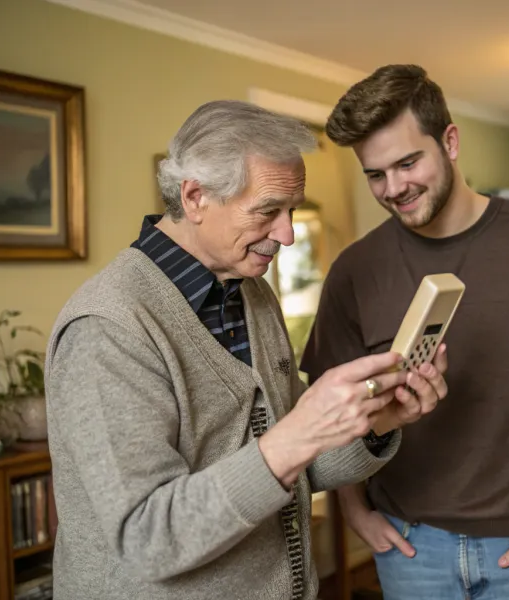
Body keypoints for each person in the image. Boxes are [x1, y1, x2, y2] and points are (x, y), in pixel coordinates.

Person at [43, 100, 449, 600]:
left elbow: (292, 468)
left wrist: (380, 420)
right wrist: (296, 435)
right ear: (194, 197)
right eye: (268, 211)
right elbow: (147, 537)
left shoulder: (250, 292)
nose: (288, 234)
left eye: (292, 209)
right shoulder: (109, 328)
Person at [299, 65, 509, 600]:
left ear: (451, 142)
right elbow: (333, 409)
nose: (394, 188)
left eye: (408, 162)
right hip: (410, 550)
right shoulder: (354, 271)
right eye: (375, 174)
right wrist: (357, 513)